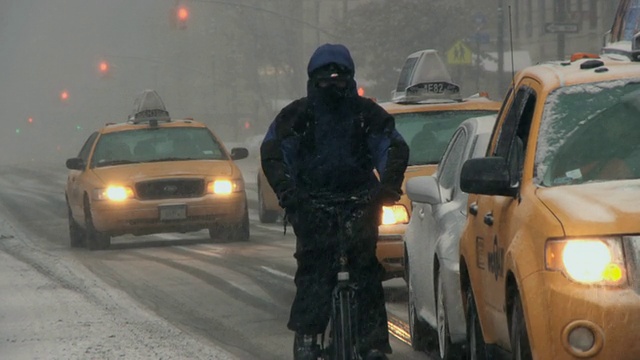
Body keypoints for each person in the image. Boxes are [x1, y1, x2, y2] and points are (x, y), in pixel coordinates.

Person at [260, 43, 409, 360]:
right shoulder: (297, 115)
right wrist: (289, 193)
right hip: (310, 203)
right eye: (325, 79)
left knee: (366, 270)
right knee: (314, 269)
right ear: (313, 80)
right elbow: (274, 153)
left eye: (339, 78)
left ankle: (371, 345)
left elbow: (392, 147)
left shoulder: (366, 114)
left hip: (361, 201)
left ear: (350, 79)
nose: (332, 85)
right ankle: (308, 337)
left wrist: (387, 188)